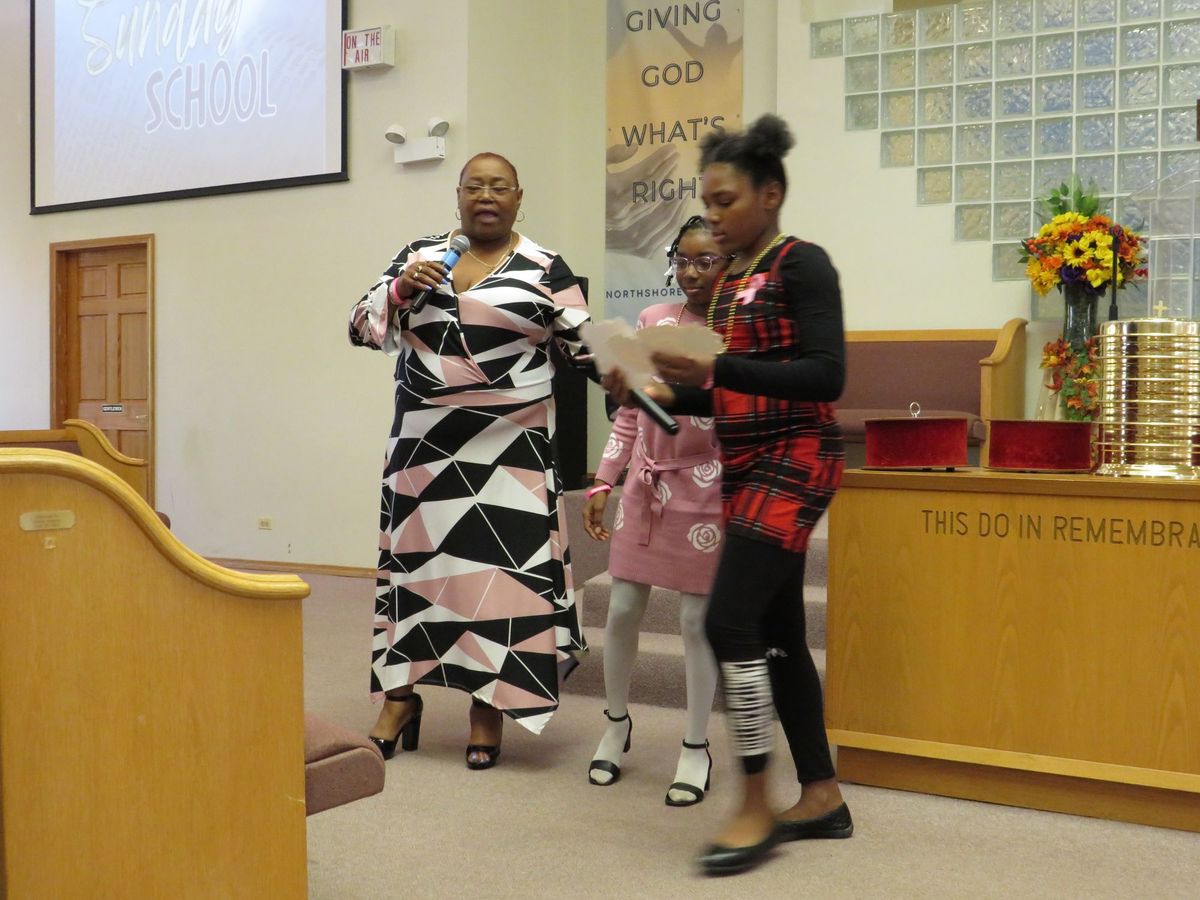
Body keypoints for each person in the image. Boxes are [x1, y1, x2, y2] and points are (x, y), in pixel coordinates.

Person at [607, 115, 851, 874]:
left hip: (798, 459)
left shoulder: (802, 265)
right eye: (706, 202)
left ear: (769, 194)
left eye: (725, 201)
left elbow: (826, 377)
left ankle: (752, 804)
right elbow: (724, 396)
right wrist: (648, 391)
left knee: (727, 618)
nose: (712, 217)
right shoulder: (733, 286)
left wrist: (713, 372)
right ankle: (821, 795)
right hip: (747, 465)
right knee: (777, 631)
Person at [348, 151, 592, 769]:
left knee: (501, 577)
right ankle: (400, 700)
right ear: (457, 195)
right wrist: (402, 288)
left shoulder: (545, 267)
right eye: (474, 186)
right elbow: (360, 327)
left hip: (510, 450)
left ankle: (489, 707)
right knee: (417, 572)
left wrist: (643, 364)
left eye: (499, 187)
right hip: (425, 448)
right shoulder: (420, 254)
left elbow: (585, 347)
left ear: (518, 198)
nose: (486, 196)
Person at [582, 216, 727, 805]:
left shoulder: (739, 332)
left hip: (708, 487)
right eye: (683, 260)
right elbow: (630, 410)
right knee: (621, 608)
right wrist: (604, 479)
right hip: (646, 484)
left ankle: (695, 745)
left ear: (730, 264)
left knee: (695, 622)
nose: (692, 272)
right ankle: (616, 723)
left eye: (706, 260)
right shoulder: (652, 319)